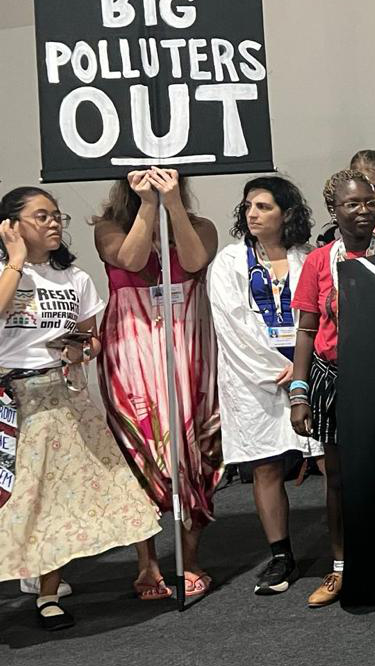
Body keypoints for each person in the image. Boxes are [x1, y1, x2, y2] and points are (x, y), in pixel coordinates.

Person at [1, 188, 160, 631]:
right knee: (19, 497)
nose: (54, 223)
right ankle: (31, 572)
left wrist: (81, 350)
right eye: (41, 216)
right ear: (11, 224)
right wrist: (16, 259)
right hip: (14, 400)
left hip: (64, 395)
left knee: (65, 494)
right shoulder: (7, 271)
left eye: (57, 216)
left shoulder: (73, 277)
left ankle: (50, 593)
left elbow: (91, 338)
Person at [92, 168, 221, 601]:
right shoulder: (109, 228)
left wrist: (172, 205)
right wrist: (148, 205)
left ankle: (191, 557)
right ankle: (146, 562)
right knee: (139, 451)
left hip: (188, 343)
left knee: (195, 450)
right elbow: (130, 260)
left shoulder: (201, 226)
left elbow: (194, 261)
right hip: (132, 345)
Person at [290, 170, 375, 608]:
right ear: (333, 210)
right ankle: (341, 567)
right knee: (338, 479)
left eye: (369, 202)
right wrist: (299, 392)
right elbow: (306, 330)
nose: (363, 211)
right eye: (351, 204)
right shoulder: (320, 262)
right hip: (334, 378)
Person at [207, 176, 323, 596]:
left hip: (311, 370)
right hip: (255, 378)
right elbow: (232, 326)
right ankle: (281, 556)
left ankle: (348, 550)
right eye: (248, 206)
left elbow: (323, 316)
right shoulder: (228, 261)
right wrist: (282, 369)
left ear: (286, 213)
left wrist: (303, 368)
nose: (252, 214)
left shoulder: (309, 258)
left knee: (328, 459)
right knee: (266, 465)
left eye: (263, 206)